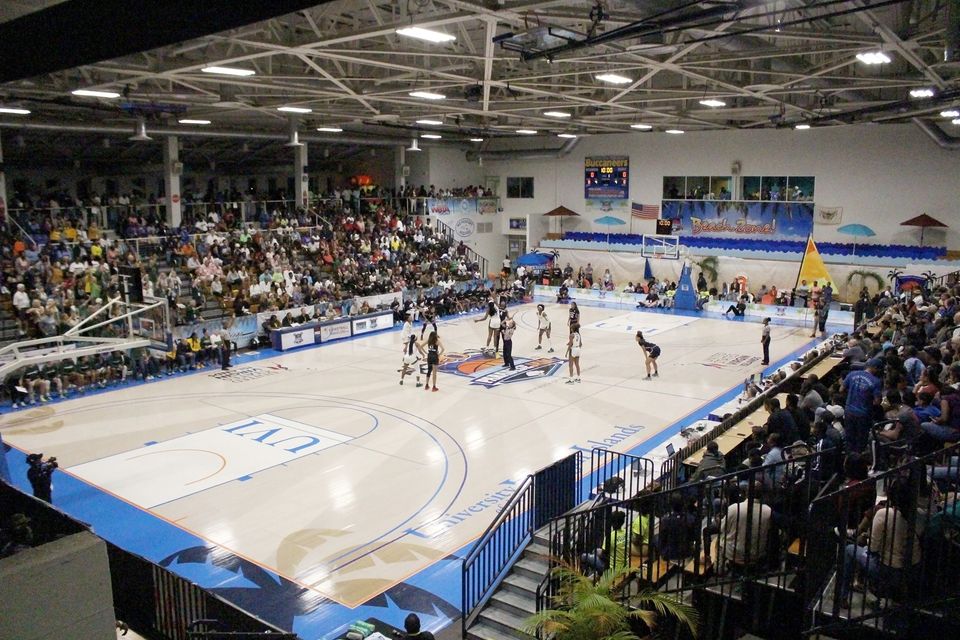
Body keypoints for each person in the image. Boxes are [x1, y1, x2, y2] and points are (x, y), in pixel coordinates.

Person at [840, 357, 883, 453]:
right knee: (861, 440)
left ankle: (849, 457)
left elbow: (841, 389)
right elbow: (877, 402)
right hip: (863, 414)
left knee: (849, 437)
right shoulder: (876, 381)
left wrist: (850, 396)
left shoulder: (852, 374)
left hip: (849, 411)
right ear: (875, 368)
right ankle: (858, 458)